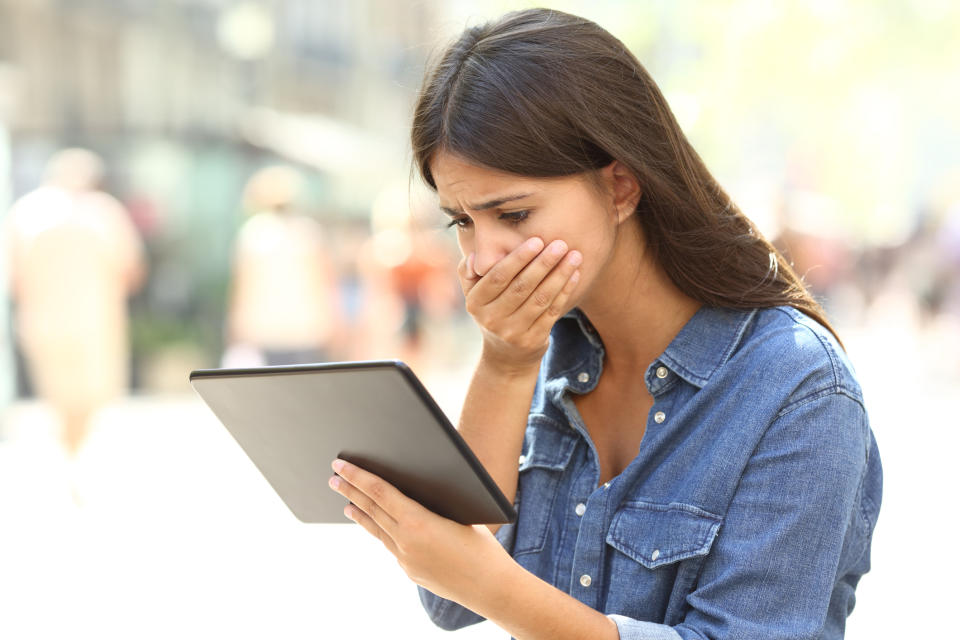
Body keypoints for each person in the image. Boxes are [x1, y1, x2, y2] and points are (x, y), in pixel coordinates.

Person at [327, 9, 881, 640]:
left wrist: (492, 585)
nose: (481, 261)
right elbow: (450, 602)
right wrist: (504, 365)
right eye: (461, 222)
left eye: (511, 214)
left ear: (619, 186)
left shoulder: (795, 388)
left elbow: (475, 584)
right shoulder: (546, 352)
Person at [3, 148, 146, 456]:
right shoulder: (104, 211)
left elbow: (13, 277)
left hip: (43, 322)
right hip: (94, 321)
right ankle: (75, 458)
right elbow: (131, 270)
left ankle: (69, 457)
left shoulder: (25, 211)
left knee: (59, 400)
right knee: (92, 398)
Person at [225, 165, 341, 367]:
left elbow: (242, 286)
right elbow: (325, 281)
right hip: (306, 327)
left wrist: (235, 323)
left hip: (266, 327)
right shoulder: (309, 232)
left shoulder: (253, 234)